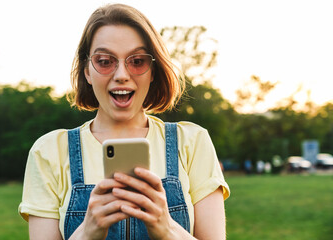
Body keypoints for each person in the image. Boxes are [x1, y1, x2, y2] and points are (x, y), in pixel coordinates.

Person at [18, 3, 230, 239]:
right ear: (87, 70)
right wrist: (87, 233)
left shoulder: (192, 142)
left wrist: (167, 229)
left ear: (152, 70)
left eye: (137, 61)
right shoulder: (49, 151)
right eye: (105, 61)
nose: (121, 75)